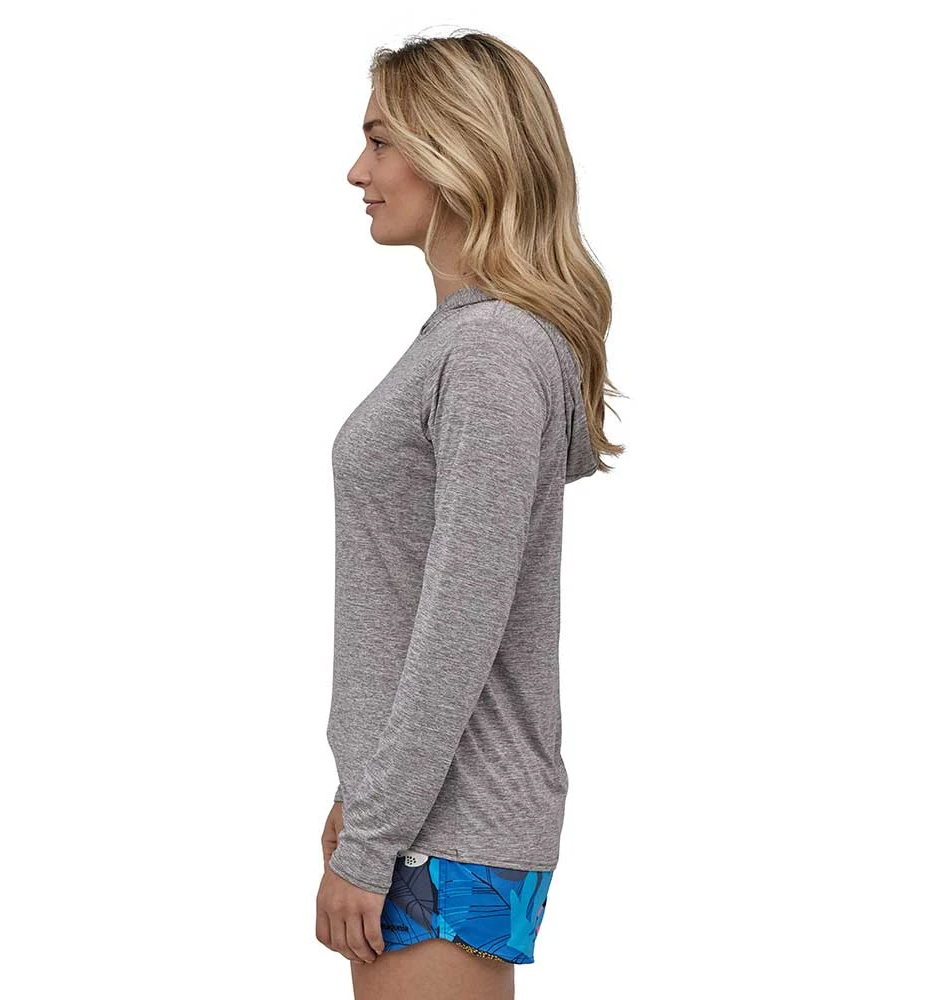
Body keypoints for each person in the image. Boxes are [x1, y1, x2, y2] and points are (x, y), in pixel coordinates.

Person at [315, 29, 625, 999]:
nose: (357, 171)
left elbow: (460, 621)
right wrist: (361, 796)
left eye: (380, 141)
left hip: (445, 826)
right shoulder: (468, 342)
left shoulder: (490, 352)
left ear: (459, 151)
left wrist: (375, 834)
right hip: (422, 813)